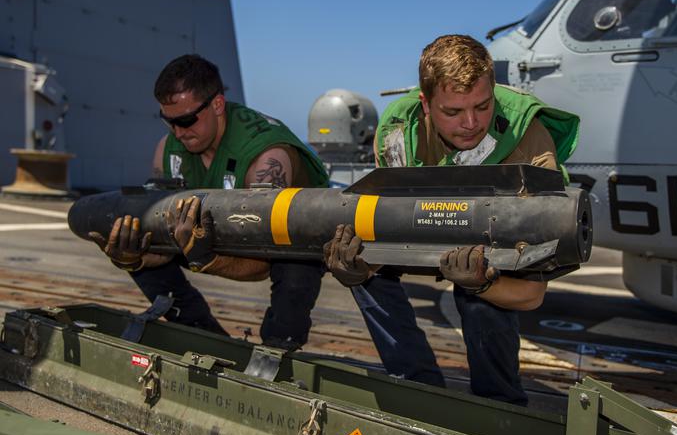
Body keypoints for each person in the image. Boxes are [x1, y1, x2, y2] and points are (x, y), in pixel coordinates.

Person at [323, 35, 580, 405]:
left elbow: (530, 294)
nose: (471, 123)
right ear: (425, 104)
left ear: (494, 92)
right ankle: (416, 386)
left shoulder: (527, 138)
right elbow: (390, 233)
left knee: (482, 294)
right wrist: (359, 269)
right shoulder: (400, 134)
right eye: (453, 112)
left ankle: (500, 405)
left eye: (483, 106)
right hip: (430, 219)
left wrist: (482, 284)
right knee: (363, 269)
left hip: (489, 245)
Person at [90, 54, 329, 350]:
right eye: (169, 122)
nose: (178, 132)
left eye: (187, 120)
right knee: (141, 246)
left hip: (294, 238)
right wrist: (136, 258)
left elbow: (263, 264)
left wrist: (206, 258)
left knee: (294, 273)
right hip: (218, 233)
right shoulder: (169, 150)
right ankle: (200, 336)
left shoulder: (266, 159)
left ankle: (278, 353)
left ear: (217, 104)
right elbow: (162, 245)